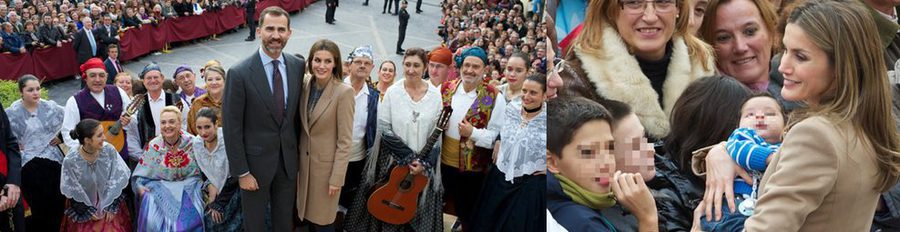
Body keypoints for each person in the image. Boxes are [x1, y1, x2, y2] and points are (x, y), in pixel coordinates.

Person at [699, 1, 900, 230]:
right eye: (785, 50)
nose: (783, 65)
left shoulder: (815, 135)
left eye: (800, 57)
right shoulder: (862, 126)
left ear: (840, 68)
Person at [556, 0, 715, 140]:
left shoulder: (703, 64)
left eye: (663, 1)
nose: (650, 17)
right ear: (610, 10)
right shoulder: (576, 76)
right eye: (633, 2)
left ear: (679, 8)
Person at [345, 47, 444, 232]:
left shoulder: (435, 95)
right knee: (385, 207)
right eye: (407, 65)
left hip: (422, 166)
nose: (411, 70)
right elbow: (384, 128)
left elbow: (436, 134)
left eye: (416, 65)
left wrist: (423, 162)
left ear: (424, 68)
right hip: (392, 162)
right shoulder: (393, 92)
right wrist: (408, 158)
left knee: (416, 212)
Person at [223, 6, 304, 232]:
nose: (275, 35)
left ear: (289, 33)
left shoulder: (297, 66)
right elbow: (232, 128)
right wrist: (242, 172)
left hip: (287, 166)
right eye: (269, 29)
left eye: (281, 30)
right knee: (255, 225)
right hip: (253, 170)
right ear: (259, 31)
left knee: (283, 224)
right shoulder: (239, 73)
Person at [546, 96, 658, 231]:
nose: (606, 164)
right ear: (551, 162)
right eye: (588, 153)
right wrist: (648, 219)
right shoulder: (584, 224)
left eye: (610, 148)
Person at [440, 46, 507, 231]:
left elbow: (496, 137)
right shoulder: (447, 88)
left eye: (475, 66)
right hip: (442, 164)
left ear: (484, 69)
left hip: (472, 170)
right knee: (440, 207)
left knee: (467, 213)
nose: (469, 70)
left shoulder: (493, 96)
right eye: (467, 65)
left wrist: (473, 133)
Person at [698, 93, 784, 231]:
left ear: (786, 123)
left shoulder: (788, 145)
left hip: (770, 205)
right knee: (722, 221)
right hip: (737, 202)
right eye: (750, 115)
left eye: (770, 113)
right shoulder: (742, 137)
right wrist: (770, 158)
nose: (760, 116)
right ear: (738, 124)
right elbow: (742, 152)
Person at [471, 73, 547, 231]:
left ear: (545, 95)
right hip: (499, 177)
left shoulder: (550, 120)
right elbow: (504, 129)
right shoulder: (512, 107)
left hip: (529, 186)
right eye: (524, 91)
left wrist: (549, 170)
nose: (526, 96)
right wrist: (499, 139)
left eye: (533, 93)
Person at [697, 0, 799, 111]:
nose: (740, 47)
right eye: (724, 37)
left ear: (772, 32)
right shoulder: (705, 108)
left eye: (750, 31)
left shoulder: (808, 93)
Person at [297, 39, 354, 232]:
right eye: (317, 60)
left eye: (327, 61)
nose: (321, 66)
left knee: (323, 223)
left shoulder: (344, 93)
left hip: (325, 174)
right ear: (310, 61)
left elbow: (345, 142)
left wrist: (337, 179)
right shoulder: (305, 84)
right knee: (305, 221)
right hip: (302, 170)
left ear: (335, 63)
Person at [5, 75, 64, 232]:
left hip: (52, 159)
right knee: (37, 204)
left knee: (57, 201)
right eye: (30, 90)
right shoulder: (12, 112)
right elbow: (5, 136)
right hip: (27, 163)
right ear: (21, 92)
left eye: (37, 89)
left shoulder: (50, 107)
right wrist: (13, 145)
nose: (36, 93)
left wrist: (61, 137)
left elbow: (71, 120)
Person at [131, 106, 204, 231]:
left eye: (171, 121)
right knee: (152, 218)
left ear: (180, 123)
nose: (167, 126)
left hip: (190, 186)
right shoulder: (155, 145)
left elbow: (206, 169)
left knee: (186, 223)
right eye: (163, 122)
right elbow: (140, 174)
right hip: (162, 187)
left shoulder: (193, 143)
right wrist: (141, 188)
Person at [59, 119, 132, 231]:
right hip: (83, 204)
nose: (105, 138)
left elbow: (118, 177)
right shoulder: (71, 160)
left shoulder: (109, 150)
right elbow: (72, 189)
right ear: (87, 140)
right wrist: (86, 211)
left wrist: (111, 206)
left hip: (109, 199)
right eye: (99, 135)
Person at [336, 45, 379, 231]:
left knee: (348, 198)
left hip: (357, 158)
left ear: (372, 68)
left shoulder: (374, 97)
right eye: (358, 62)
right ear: (349, 64)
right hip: (332, 156)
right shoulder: (335, 88)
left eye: (367, 63)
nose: (362, 66)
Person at [191, 107, 243, 231]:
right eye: (199, 128)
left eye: (207, 127)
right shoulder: (197, 143)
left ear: (216, 124)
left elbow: (237, 172)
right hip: (214, 190)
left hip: (236, 189)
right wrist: (210, 184)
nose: (203, 132)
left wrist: (220, 203)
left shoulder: (228, 140)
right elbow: (204, 171)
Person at [127, 63, 180, 160]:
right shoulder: (137, 102)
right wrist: (142, 158)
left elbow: (185, 124)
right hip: (148, 154)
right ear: (143, 81)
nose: (153, 81)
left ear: (162, 78)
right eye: (149, 78)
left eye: (156, 77)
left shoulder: (176, 99)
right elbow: (132, 134)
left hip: (175, 151)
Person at [187, 65, 225, 135]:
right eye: (210, 79)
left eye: (218, 79)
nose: (214, 83)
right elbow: (191, 130)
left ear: (224, 81)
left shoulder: (233, 101)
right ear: (206, 82)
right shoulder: (198, 103)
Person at [173, 65, 207, 129]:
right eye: (181, 78)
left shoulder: (206, 95)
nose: (186, 80)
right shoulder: (177, 101)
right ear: (176, 82)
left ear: (194, 76)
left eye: (188, 76)